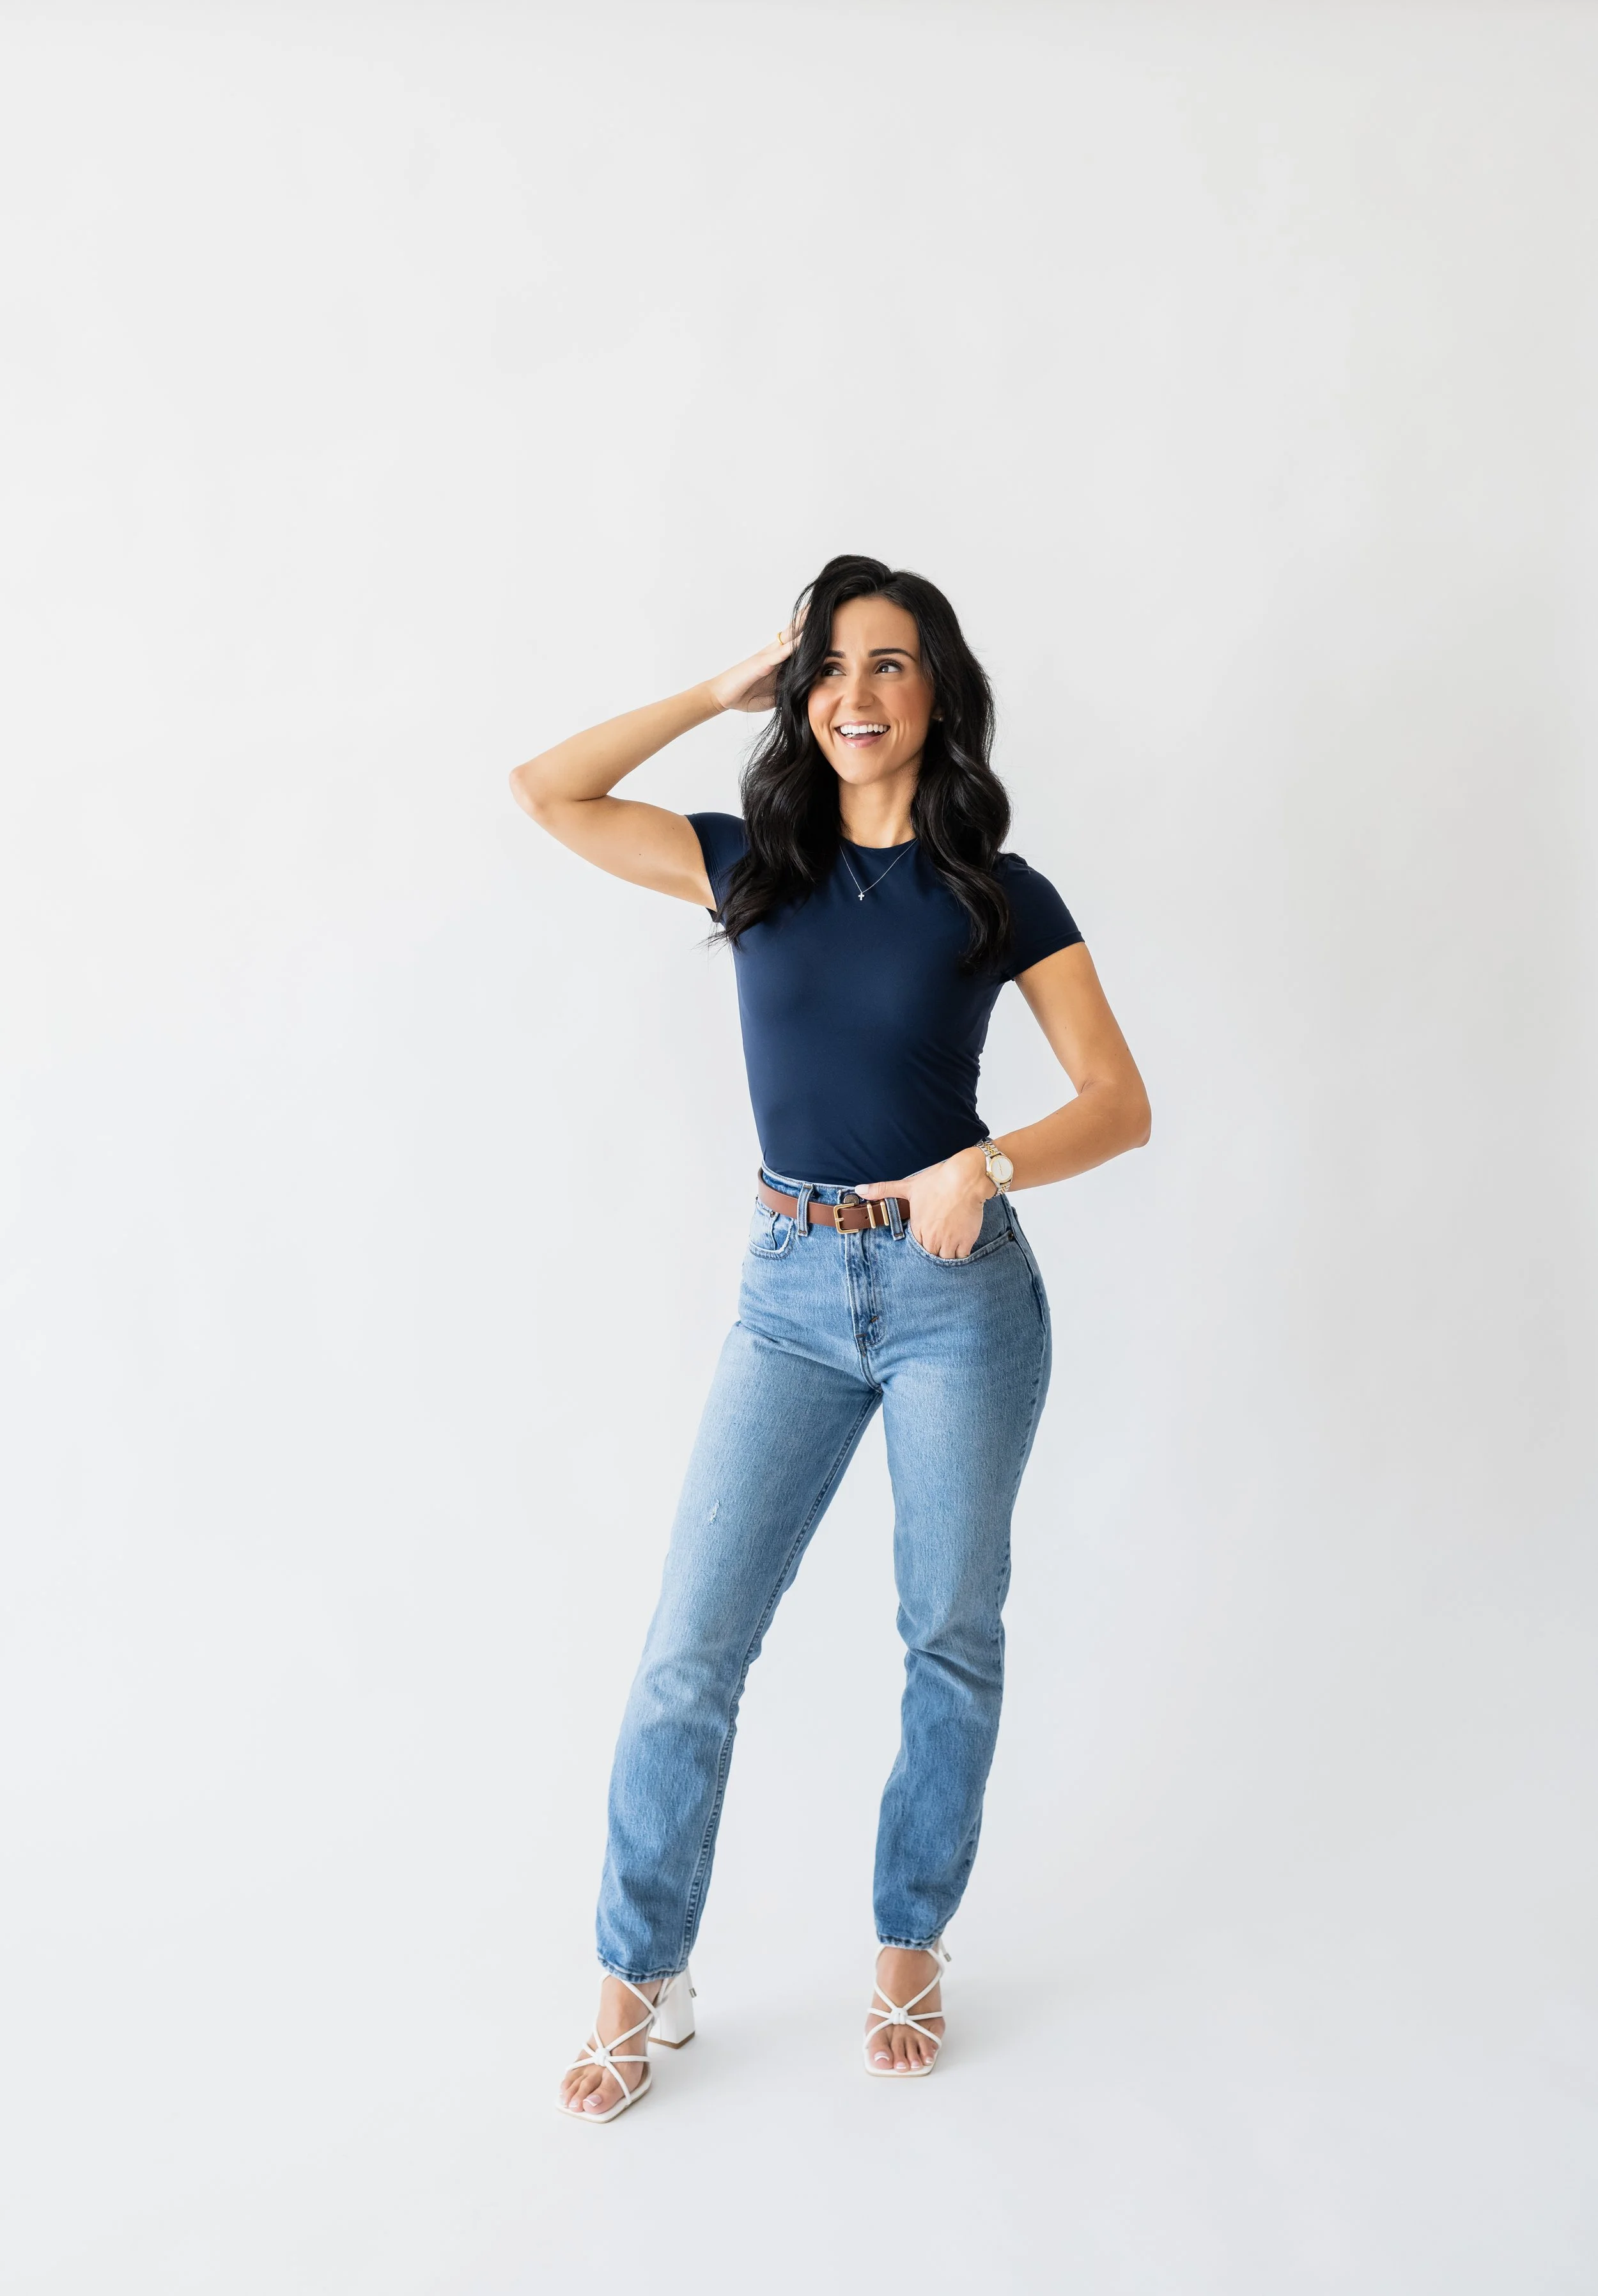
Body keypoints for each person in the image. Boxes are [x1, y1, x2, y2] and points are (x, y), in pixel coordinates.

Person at [510, 554, 1151, 2121]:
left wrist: (983, 1162)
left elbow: (1117, 1104)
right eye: (828, 669)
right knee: (689, 1650)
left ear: (939, 691)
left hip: (955, 1299)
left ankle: (909, 1939)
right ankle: (636, 1976)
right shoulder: (751, 865)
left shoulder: (1001, 893)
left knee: (946, 1628)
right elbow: (547, 791)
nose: (854, 695)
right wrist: (719, 685)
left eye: (888, 663)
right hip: (785, 1289)